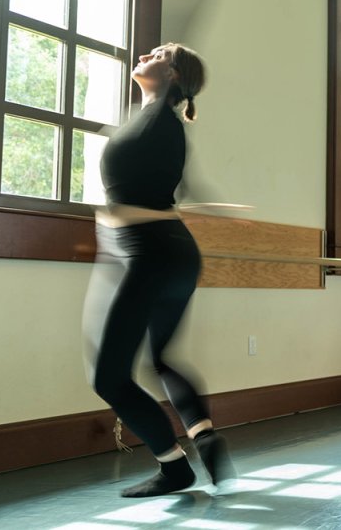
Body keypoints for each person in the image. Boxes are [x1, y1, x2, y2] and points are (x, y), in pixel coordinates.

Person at [82, 43, 234, 497]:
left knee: (108, 377)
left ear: (171, 75)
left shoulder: (157, 122)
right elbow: (168, 188)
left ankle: (174, 467)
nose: (147, 53)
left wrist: (115, 223)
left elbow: (144, 201)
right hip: (171, 256)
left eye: (160, 53)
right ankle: (203, 435)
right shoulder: (157, 122)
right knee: (161, 357)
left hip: (149, 254)